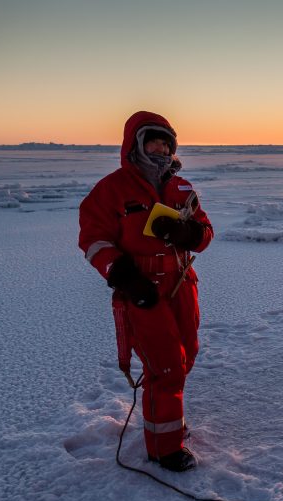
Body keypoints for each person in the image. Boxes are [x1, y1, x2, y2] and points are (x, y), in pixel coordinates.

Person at [79, 111, 213, 471]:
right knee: (166, 365)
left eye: (166, 143)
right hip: (142, 288)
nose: (161, 148)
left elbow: (205, 233)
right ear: (135, 144)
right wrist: (122, 275)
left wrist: (190, 234)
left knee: (187, 354)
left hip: (183, 284)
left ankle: (166, 419)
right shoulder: (111, 189)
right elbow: (93, 239)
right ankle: (164, 448)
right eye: (153, 141)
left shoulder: (182, 188)